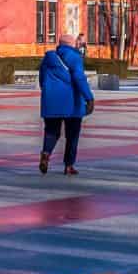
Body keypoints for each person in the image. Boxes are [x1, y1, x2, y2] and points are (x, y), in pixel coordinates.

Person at [38, 26, 94, 175]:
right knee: (72, 135)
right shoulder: (75, 57)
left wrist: (48, 92)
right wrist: (89, 98)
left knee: (51, 131)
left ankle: (46, 153)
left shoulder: (48, 58)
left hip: (51, 101)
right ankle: (68, 166)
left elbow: (42, 79)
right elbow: (79, 78)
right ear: (71, 44)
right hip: (72, 102)